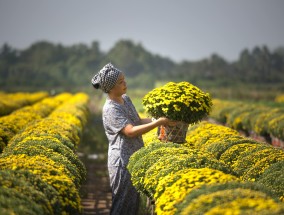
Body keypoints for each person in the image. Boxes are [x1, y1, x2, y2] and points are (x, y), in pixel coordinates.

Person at [91, 63, 175, 215]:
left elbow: (137, 122)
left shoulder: (126, 99)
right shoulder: (111, 109)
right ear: (110, 88)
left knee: (132, 205)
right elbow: (129, 131)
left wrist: (160, 119)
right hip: (122, 162)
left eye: (124, 80)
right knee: (122, 205)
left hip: (134, 159)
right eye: (120, 82)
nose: (125, 83)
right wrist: (159, 122)